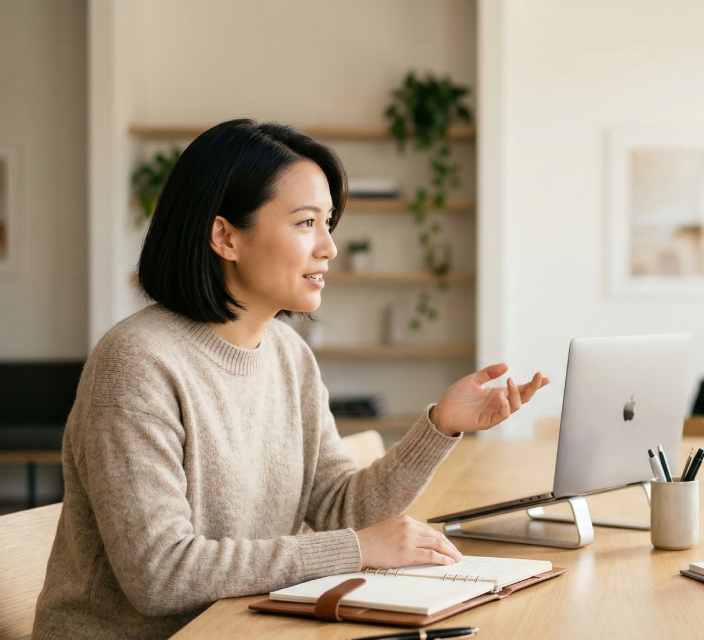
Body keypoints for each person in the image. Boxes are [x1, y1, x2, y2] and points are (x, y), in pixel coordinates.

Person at [32, 120, 549, 640]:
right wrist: (356, 550)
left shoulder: (288, 355)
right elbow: (160, 574)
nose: (329, 248)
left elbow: (340, 508)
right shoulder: (137, 363)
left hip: (244, 627)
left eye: (329, 223)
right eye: (305, 223)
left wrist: (441, 425)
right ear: (225, 236)